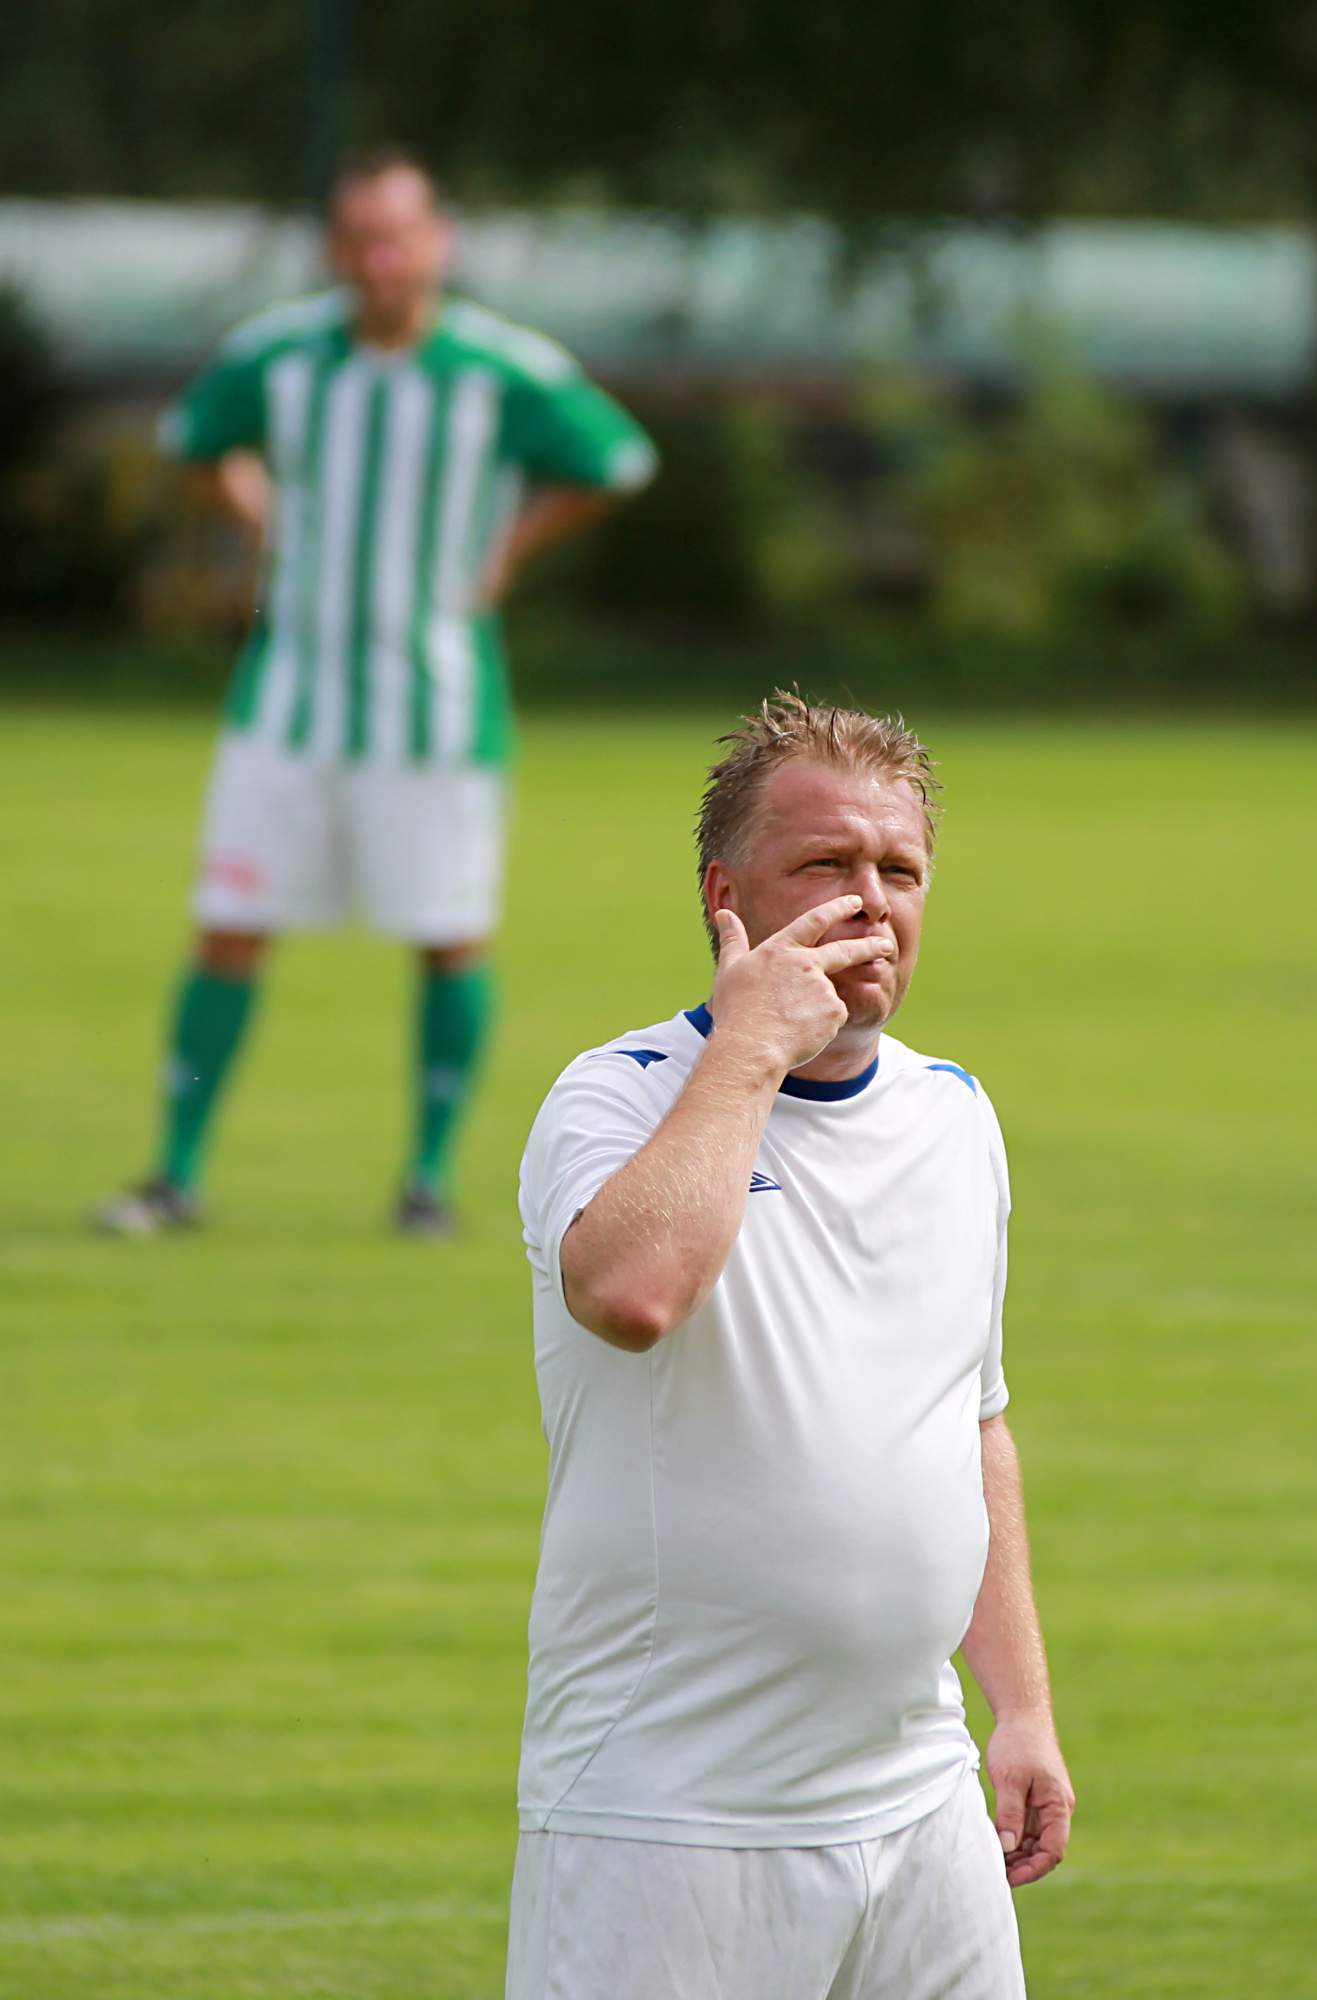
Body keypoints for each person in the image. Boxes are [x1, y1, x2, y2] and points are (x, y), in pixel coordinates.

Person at [508, 693, 1074, 1998]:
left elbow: (970, 1418)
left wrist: (1023, 1705)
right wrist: (754, 1046)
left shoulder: (953, 1113)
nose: (869, 900)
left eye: (899, 869)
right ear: (725, 893)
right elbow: (633, 1292)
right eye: (825, 863)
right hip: (672, 1812)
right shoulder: (618, 1093)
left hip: (918, 1795)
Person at [96, 148, 657, 1238]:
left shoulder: (496, 366)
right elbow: (192, 440)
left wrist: (509, 548)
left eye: (397, 238)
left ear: (437, 241)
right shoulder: (283, 356)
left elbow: (618, 460)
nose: (378, 261)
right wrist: (259, 515)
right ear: (335, 248)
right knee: (230, 925)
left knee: (447, 934)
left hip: (435, 710)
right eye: (358, 240)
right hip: (286, 704)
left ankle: (426, 1180)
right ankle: (175, 1171)